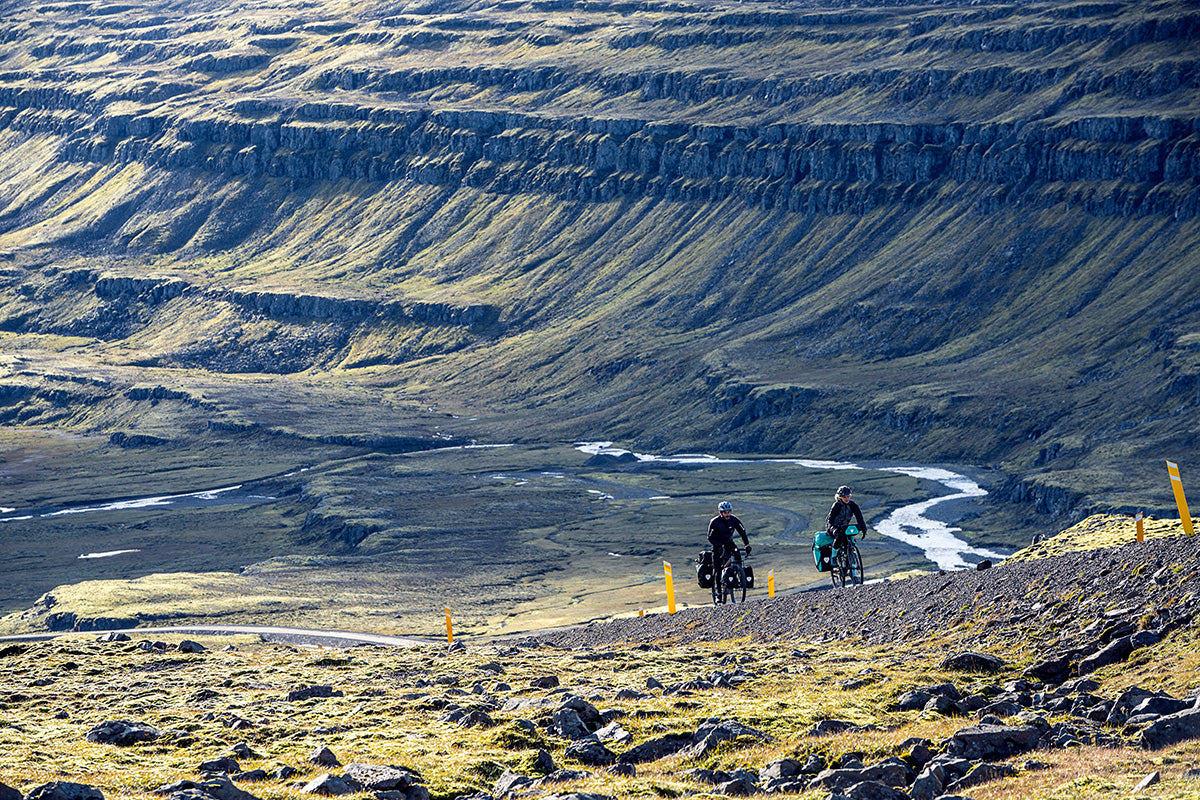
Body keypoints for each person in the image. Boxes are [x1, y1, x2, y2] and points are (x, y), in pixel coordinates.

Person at [708, 500, 751, 570]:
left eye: (729, 512)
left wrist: (747, 545)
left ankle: (740, 577)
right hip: (717, 546)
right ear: (721, 513)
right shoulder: (715, 522)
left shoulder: (734, 520)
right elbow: (710, 537)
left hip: (729, 543)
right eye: (725, 513)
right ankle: (718, 579)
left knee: (738, 559)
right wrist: (718, 545)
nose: (727, 514)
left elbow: (742, 532)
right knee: (718, 570)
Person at [826, 485, 867, 551]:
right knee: (839, 538)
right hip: (833, 526)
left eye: (848, 496)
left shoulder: (852, 505)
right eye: (844, 497)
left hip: (844, 527)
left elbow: (859, 517)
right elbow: (831, 519)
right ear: (840, 497)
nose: (846, 499)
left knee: (850, 540)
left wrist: (863, 527)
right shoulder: (837, 505)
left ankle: (850, 556)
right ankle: (834, 554)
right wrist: (832, 528)